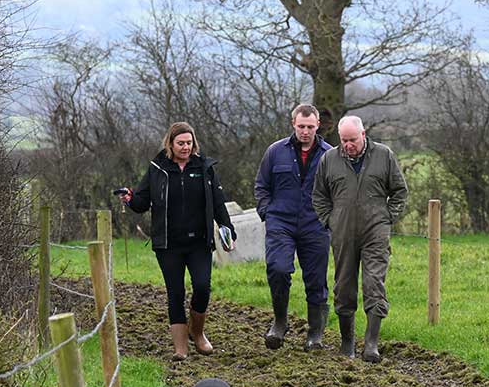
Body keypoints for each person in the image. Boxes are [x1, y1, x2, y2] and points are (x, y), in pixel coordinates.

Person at [118, 122, 236, 361]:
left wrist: (227, 229)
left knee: (202, 287)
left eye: (189, 143)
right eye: (180, 143)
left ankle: (197, 332)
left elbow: (218, 202)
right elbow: (142, 202)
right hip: (168, 244)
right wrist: (129, 199)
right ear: (170, 144)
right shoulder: (157, 169)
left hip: (199, 242)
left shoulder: (204, 167)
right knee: (175, 292)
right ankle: (180, 348)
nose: (185, 147)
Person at [312, 115, 407, 363]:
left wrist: (388, 217)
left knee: (374, 283)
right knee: (344, 286)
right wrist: (329, 220)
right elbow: (319, 195)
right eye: (344, 140)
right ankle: (347, 343)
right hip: (342, 232)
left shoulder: (384, 155)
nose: (348, 144)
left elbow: (399, 191)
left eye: (352, 139)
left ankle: (371, 344)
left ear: (363, 135)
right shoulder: (329, 159)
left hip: (376, 230)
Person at [254, 104, 333, 351]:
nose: (306, 131)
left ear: (318, 125)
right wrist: (267, 212)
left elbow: (339, 191)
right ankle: (280, 322)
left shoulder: (330, 155)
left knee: (316, 279)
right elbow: (261, 186)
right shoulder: (276, 152)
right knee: (278, 269)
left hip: (316, 224)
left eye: (310, 127)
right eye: (301, 126)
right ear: (293, 124)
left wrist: (330, 219)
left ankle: (315, 333)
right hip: (281, 223)